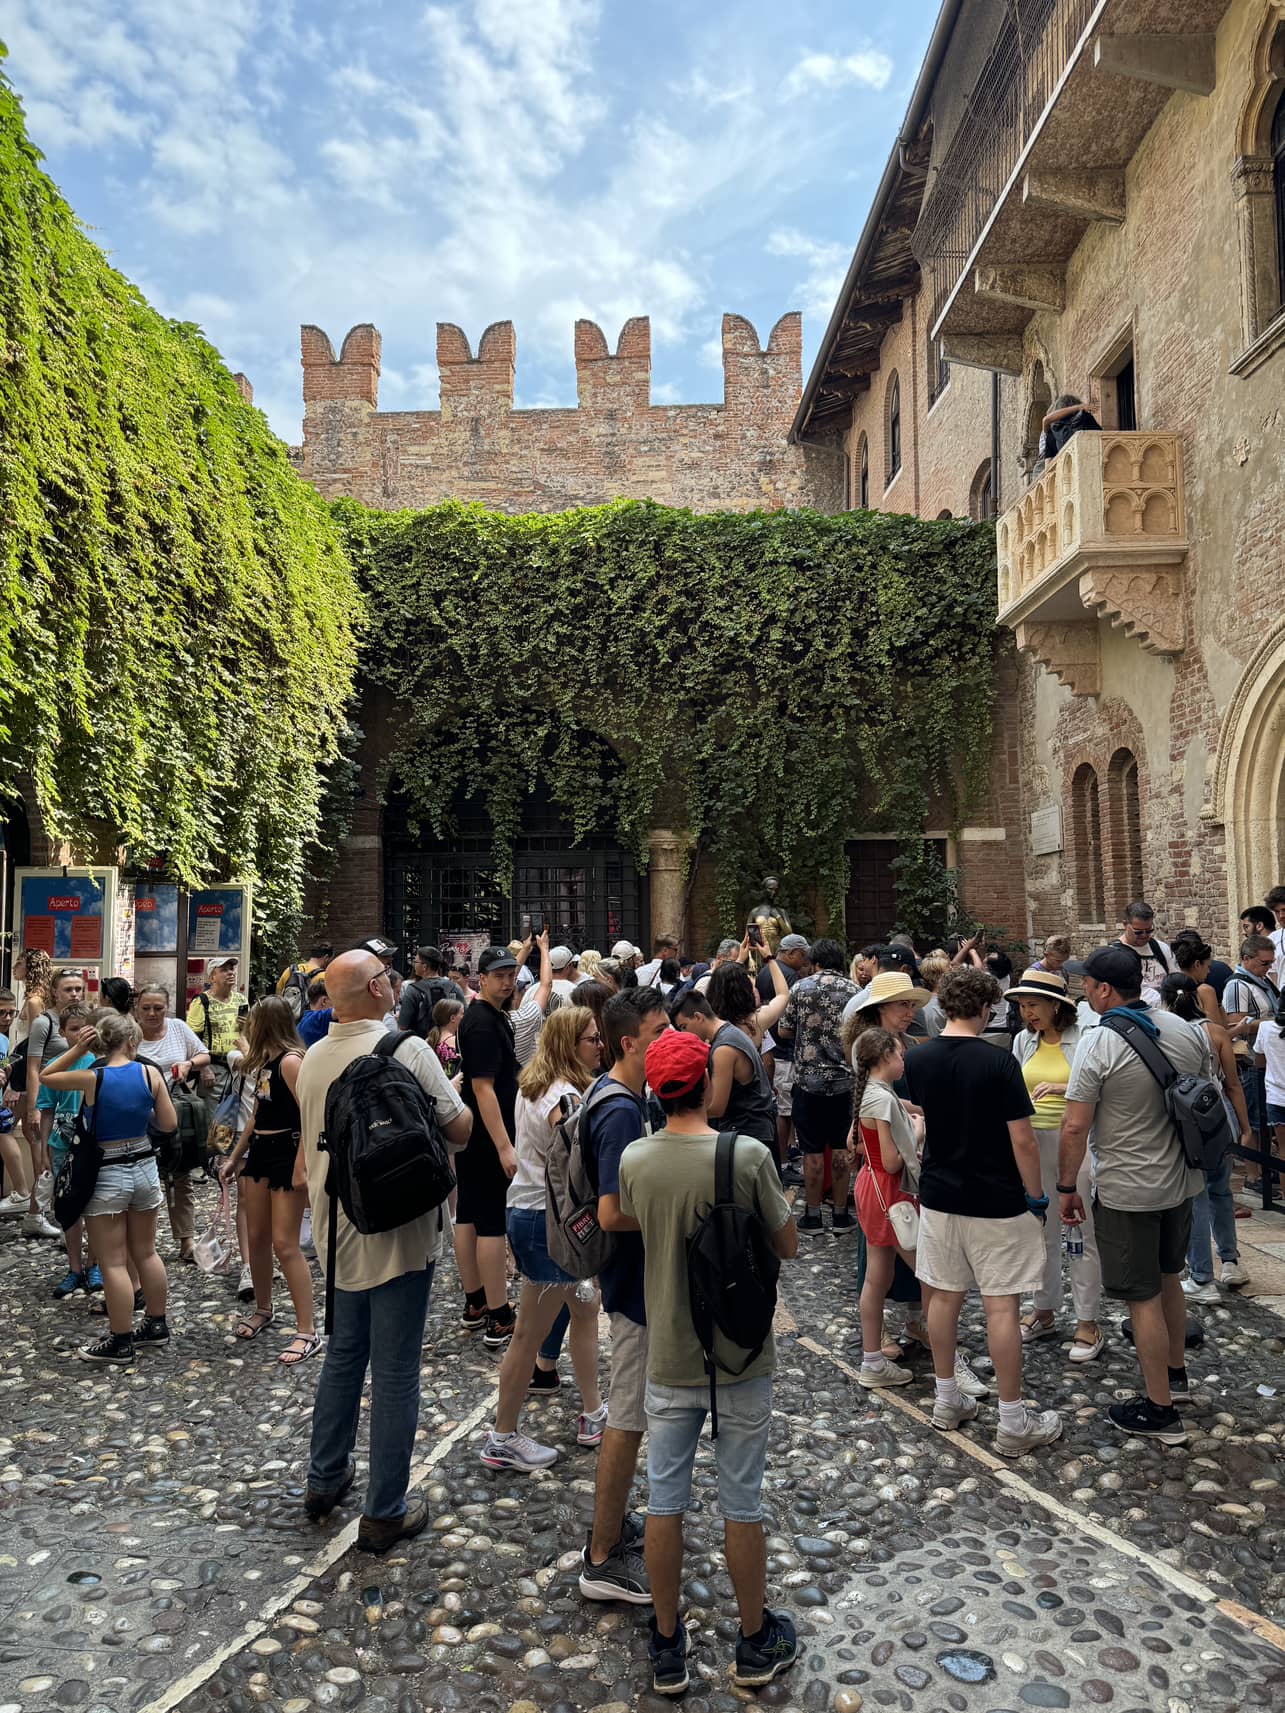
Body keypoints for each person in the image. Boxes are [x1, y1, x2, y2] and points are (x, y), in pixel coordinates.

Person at [618, 1027, 798, 1695]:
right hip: (740, 1355)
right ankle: (753, 1638)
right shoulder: (747, 1155)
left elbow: (636, 1220)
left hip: (669, 1356)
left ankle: (667, 1643)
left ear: (656, 1091)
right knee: (741, 1502)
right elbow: (787, 1244)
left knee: (664, 1502)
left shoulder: (636, 1159)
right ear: (703, 1084)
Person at [298, 950, 471, 1551]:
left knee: (345, 1355)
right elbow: (460, 1129)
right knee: (396, 1370)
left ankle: (324, 1479)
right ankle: (385, 1510)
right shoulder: (408, 1049)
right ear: (377, 989)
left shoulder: (312, 1058)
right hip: (400, 1228)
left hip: (337, 1230)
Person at [904, 967, 1063, 1457]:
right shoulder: (998, 1061)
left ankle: (946, 1398)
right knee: (1001, 1307)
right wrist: (1036, 1197)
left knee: (943, 1298)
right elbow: (1022, 1140)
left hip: (940, 1195)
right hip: (996, 1198)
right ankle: (1012, 1421)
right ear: (985, 1008)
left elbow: (923, 1115)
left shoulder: (918, 1058)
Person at [1058, 944, 1213, 1445]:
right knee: (1169, 1278)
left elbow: (1075, 1126)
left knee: (1141, 1297)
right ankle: (1176, 1376)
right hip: (1181, 1180)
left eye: (1087, 984)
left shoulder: (1100, 1042)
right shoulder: (1182, 1028)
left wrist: (1066, 1186)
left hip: (1129, 1187)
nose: (1085, 990)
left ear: (1104, 989)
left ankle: (1159, 1410)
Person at [479, 1006, 607, 1471]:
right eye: (592, 1039)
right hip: (548, 1223)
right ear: (570, 1045)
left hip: (530, 1212)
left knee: (585, 1309)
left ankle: (594, 1412)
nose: (600, 1046)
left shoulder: (534, 1084)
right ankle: (502, 1436)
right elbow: (576, 1163)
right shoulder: (564, 1097)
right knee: (529, 1334)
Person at [578, 986, 669, 1607]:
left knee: (631, 1414)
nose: (671, 1039)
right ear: (630, 1043)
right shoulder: (618, 1111)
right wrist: (675, 1214)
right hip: (631, 1285)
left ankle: (613, 1527)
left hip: (633, 1280)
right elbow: (611, 1213)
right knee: (627, 1418)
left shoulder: (623, 1096)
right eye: (660, 1031)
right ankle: (602, 1556)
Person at [41, 1011, 176, 1364]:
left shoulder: (93, 1078)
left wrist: (77, 1048)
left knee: (113, 1261)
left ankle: (121, 1340)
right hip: (144, 1166)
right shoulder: (149, 1073)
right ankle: (156, 1325)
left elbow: (46, 1076)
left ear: (99, 1042)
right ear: (131, 1041)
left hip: (107, 1172)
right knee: (146, 1252)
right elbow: (168, 1123)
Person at [1006, 968, 1103, 1360]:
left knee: (1080, 1232)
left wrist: (1063, 1087)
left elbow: (1099, 1086)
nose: (1027, 1013)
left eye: (1033, 1005)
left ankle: (1087, 1320)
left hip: (1074, 1143)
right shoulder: (1023, 1041)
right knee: (1039, 1230)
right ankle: (1043, 1309)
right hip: (1033, 1143)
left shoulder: (1086, 1039)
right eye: (1022, 1006)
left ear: (1056, 1006)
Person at [218, 998, 319, 1364]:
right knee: (257, 1236)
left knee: (284, 1243)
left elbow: (310, 1114)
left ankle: (307, 1330)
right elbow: (257, 1113)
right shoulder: (265, 1063)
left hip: (286, 1151)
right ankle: (264, 1308)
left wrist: (301, 1164)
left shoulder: (291, 1062)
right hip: (261, 1149)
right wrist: (234, 1156)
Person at [1158, 973, 1252, 1299]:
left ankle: (1201, 1276)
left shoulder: (1167, 1033)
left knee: (1194, 1197)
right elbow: (1233, 1084)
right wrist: (1245, 1127)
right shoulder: (1216, 1031)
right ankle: (1230, 1261)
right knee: (1220, 1191)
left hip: (1187, 1119)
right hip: (1219, 1114)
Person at [456, 942, 531, 1345]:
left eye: (511, 975)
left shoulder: (483, 1015)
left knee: (469, 1216)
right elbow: (483, 1087)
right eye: (499, 976)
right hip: (488, 1135)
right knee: (490, 1223)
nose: (507, 982)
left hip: (477, 1132)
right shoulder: (483, 1022)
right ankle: (499, 1316)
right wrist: (504, 1146)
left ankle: (476, 1302)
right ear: (481, 979)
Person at [850, 1027, 931, 1390]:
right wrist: (917, 1134)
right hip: (890, 1192)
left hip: (871, 1188)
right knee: (929, 1275)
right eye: (899, 1054)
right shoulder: (882, 1099)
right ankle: (949, 1361)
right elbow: (892, 1161)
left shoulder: (870, 1093)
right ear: (885, 1057)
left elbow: (856, 1143)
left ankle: (872, 1360)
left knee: (877, 1276)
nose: (903, 1060)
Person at [774, 939, 860, 1235]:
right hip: (844, 1083)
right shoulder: (854, 991)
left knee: (811, 1150)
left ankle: (812, 1216)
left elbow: (784, 1030)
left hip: (808, 1082)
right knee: (840, 1148)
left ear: (816, 962)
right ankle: (840, 1215)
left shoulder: (801, 988)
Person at [135, 983, 211, 1264]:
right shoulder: (131, 1035)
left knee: (181, 1175)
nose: (152, 1014)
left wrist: (190, 1064)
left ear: (167, 1008)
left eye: (158, 1008)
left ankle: (186, 1240)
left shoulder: (178, 1027)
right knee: (143, 1179)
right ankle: (143, 1244)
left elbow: (204, 1054)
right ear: (136, 1009)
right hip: (140, 1115)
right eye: (146, 1008)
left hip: (175, 1110)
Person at [670, 987, 778, 1159]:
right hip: (756, 1131)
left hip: (748, 1136)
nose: (684, 1034)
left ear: (698, 1017)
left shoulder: (723, 1049)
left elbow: (717, 1107)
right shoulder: (729, 1033)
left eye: (684, 1027)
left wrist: (682, 1119)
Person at [47, 1004, 99, 1297]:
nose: (79, 1035)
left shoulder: (99, 1062)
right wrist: (41, 1148)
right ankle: (74, 1267)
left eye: (84, 1028)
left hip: (92, 1147)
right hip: (62, 1145)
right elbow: (47, 1109)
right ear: (63, 1032)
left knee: (95, 1207)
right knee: (69, 1210)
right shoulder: (57, 1064)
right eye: (73, 1029)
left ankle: (94, 1264)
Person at [1222, 934, 1281, 1197]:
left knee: (1264, 1119)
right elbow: (1236, 1022)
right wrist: (1273, 1023)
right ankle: (1253, 1175)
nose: (1268, 968)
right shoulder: (1237, 986)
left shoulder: (1262, 980)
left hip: (1266, 1058)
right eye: (1263, 963)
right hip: (1249, 1059)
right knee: (1254, 1120)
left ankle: (1265, 1168)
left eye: (1270, 963)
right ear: (1246, 959)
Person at [186, 958, 248, 1106]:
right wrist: (204, 1068)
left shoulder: (241, 1000)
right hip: (215, 1069)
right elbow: (191, 1039)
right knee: (213, 1115)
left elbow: (248, 1034)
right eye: (224, 970)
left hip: (238, 1066)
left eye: (232, 969)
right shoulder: (202, 1002)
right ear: (212, 977)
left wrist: (248, 1027)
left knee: (237, 1112)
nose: (231, 973)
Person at [398, 946, 463, 1037]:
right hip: (449, 1042)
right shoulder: (454, 988)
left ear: (424, 966)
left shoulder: (413, 990)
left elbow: (403, 1027)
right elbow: (464, 1019)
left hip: (421, 1042)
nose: (414, 965)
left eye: (415, 962)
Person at [1117, 901, 1171, 1006]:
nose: (1144, 935)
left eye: (1149, 930)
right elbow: (1139, 994)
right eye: (1138, 932)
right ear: (1125, 924)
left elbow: (1176, 977)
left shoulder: (1161, 948)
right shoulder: (1115, 955)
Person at [1171, 934, 1225, 1027]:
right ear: (1197, 964)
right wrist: (1240, 1028)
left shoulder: (1169, 987)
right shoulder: (1205, 991)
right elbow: (1218, 1032)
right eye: (1208, 966)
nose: (1208, 971)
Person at [1036, 392, 1101, 464]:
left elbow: (1048, 464)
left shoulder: (1053, 431)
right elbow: (1100, 436)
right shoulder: (1085, 417)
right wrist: (1079, 407)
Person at [427, 998, 465, 1078]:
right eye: (462, 1014)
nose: (464, 1017)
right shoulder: (454, 1042)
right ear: (452, 1018)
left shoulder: (430, 1039)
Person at [297, 977, 333, 1047]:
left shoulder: (305, 1020)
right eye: (334, 999)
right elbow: (342, 1010)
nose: (337, 1004)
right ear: (324, 1001)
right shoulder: (318, 1019)